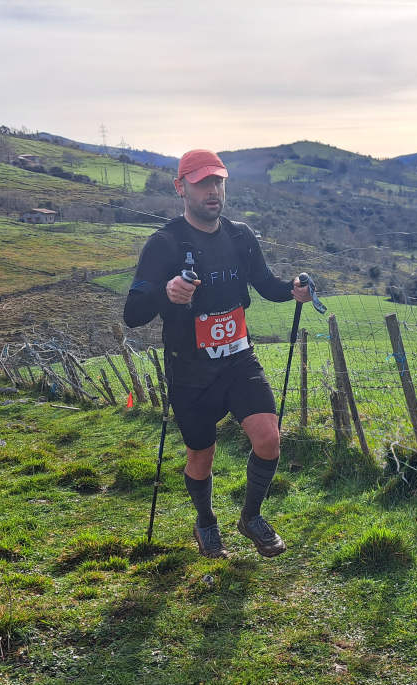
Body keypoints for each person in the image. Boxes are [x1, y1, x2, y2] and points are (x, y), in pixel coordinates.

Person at [123, 149, 310, 559]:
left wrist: (293, 290)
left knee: (269, 439)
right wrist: (166, 292)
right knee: (201, 456)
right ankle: (206, 522)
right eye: (202, 183)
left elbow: (266, 284)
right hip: (190, 370)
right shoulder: (164, 244)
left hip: (239, 359)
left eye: (218, 182)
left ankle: (251, 517)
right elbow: (132, 314)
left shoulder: (241, 236)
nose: (213, 191)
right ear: (181, 187)